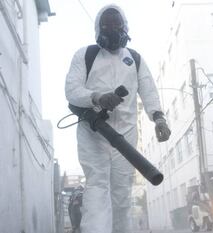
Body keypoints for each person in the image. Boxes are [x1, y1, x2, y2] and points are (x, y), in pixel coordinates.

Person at [65, 5, 171, 233]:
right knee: (98, 186)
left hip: (125, 134)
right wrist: (97, 98)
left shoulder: (134, 59)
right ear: (98, 28)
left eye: (117, 25)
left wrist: (159, 117)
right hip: (93, 132)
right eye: (107, 25)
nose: (112, 29)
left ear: (125, 27)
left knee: (122, 194)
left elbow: (149, 90)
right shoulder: (86, 55)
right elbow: (71, 90)